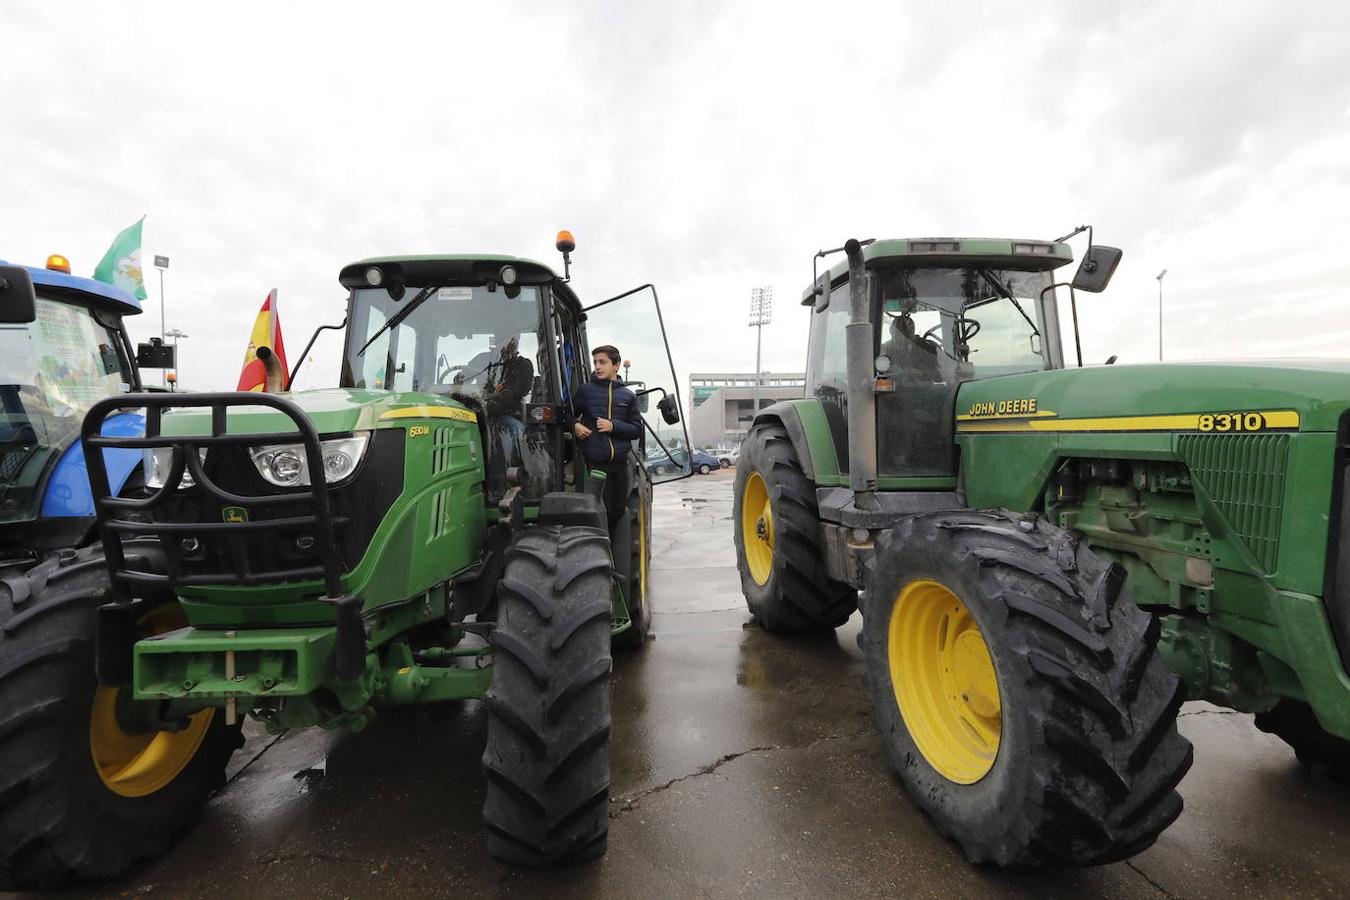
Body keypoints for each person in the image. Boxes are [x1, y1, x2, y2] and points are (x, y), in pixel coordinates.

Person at [572, 344, 642, 521]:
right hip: (596, 463)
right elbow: (565, 413)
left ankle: (610, 545)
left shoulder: (628, 396)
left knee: (617, 512)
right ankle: (599, 545)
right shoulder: (586, 391)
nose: (597, 366)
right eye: (595, 362)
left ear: (616, 365)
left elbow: (636, 430)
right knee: (597, 511)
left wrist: (613, 426)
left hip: (620, 463)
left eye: (602, 362)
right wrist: (575, 426)